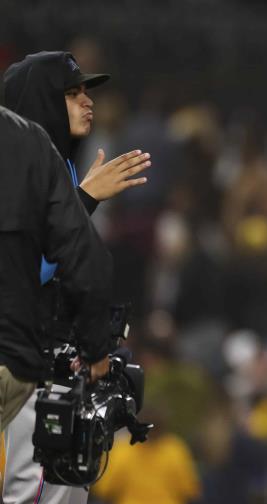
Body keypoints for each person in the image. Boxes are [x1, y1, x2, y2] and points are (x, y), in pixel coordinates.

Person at [2, 51, 150, 504]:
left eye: (86, 91)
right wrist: (84, 199)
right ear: (40, 100)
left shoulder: (52, 163)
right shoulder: (19, 164)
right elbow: (36, 266)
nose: (87, 102)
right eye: (71, 93)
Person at [0, 104, 111, 432]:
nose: (87, 102)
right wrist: (96, 347)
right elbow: (72, 259)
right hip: (17, 357)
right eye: (70, 93)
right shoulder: (29, 144)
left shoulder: (47, 155)